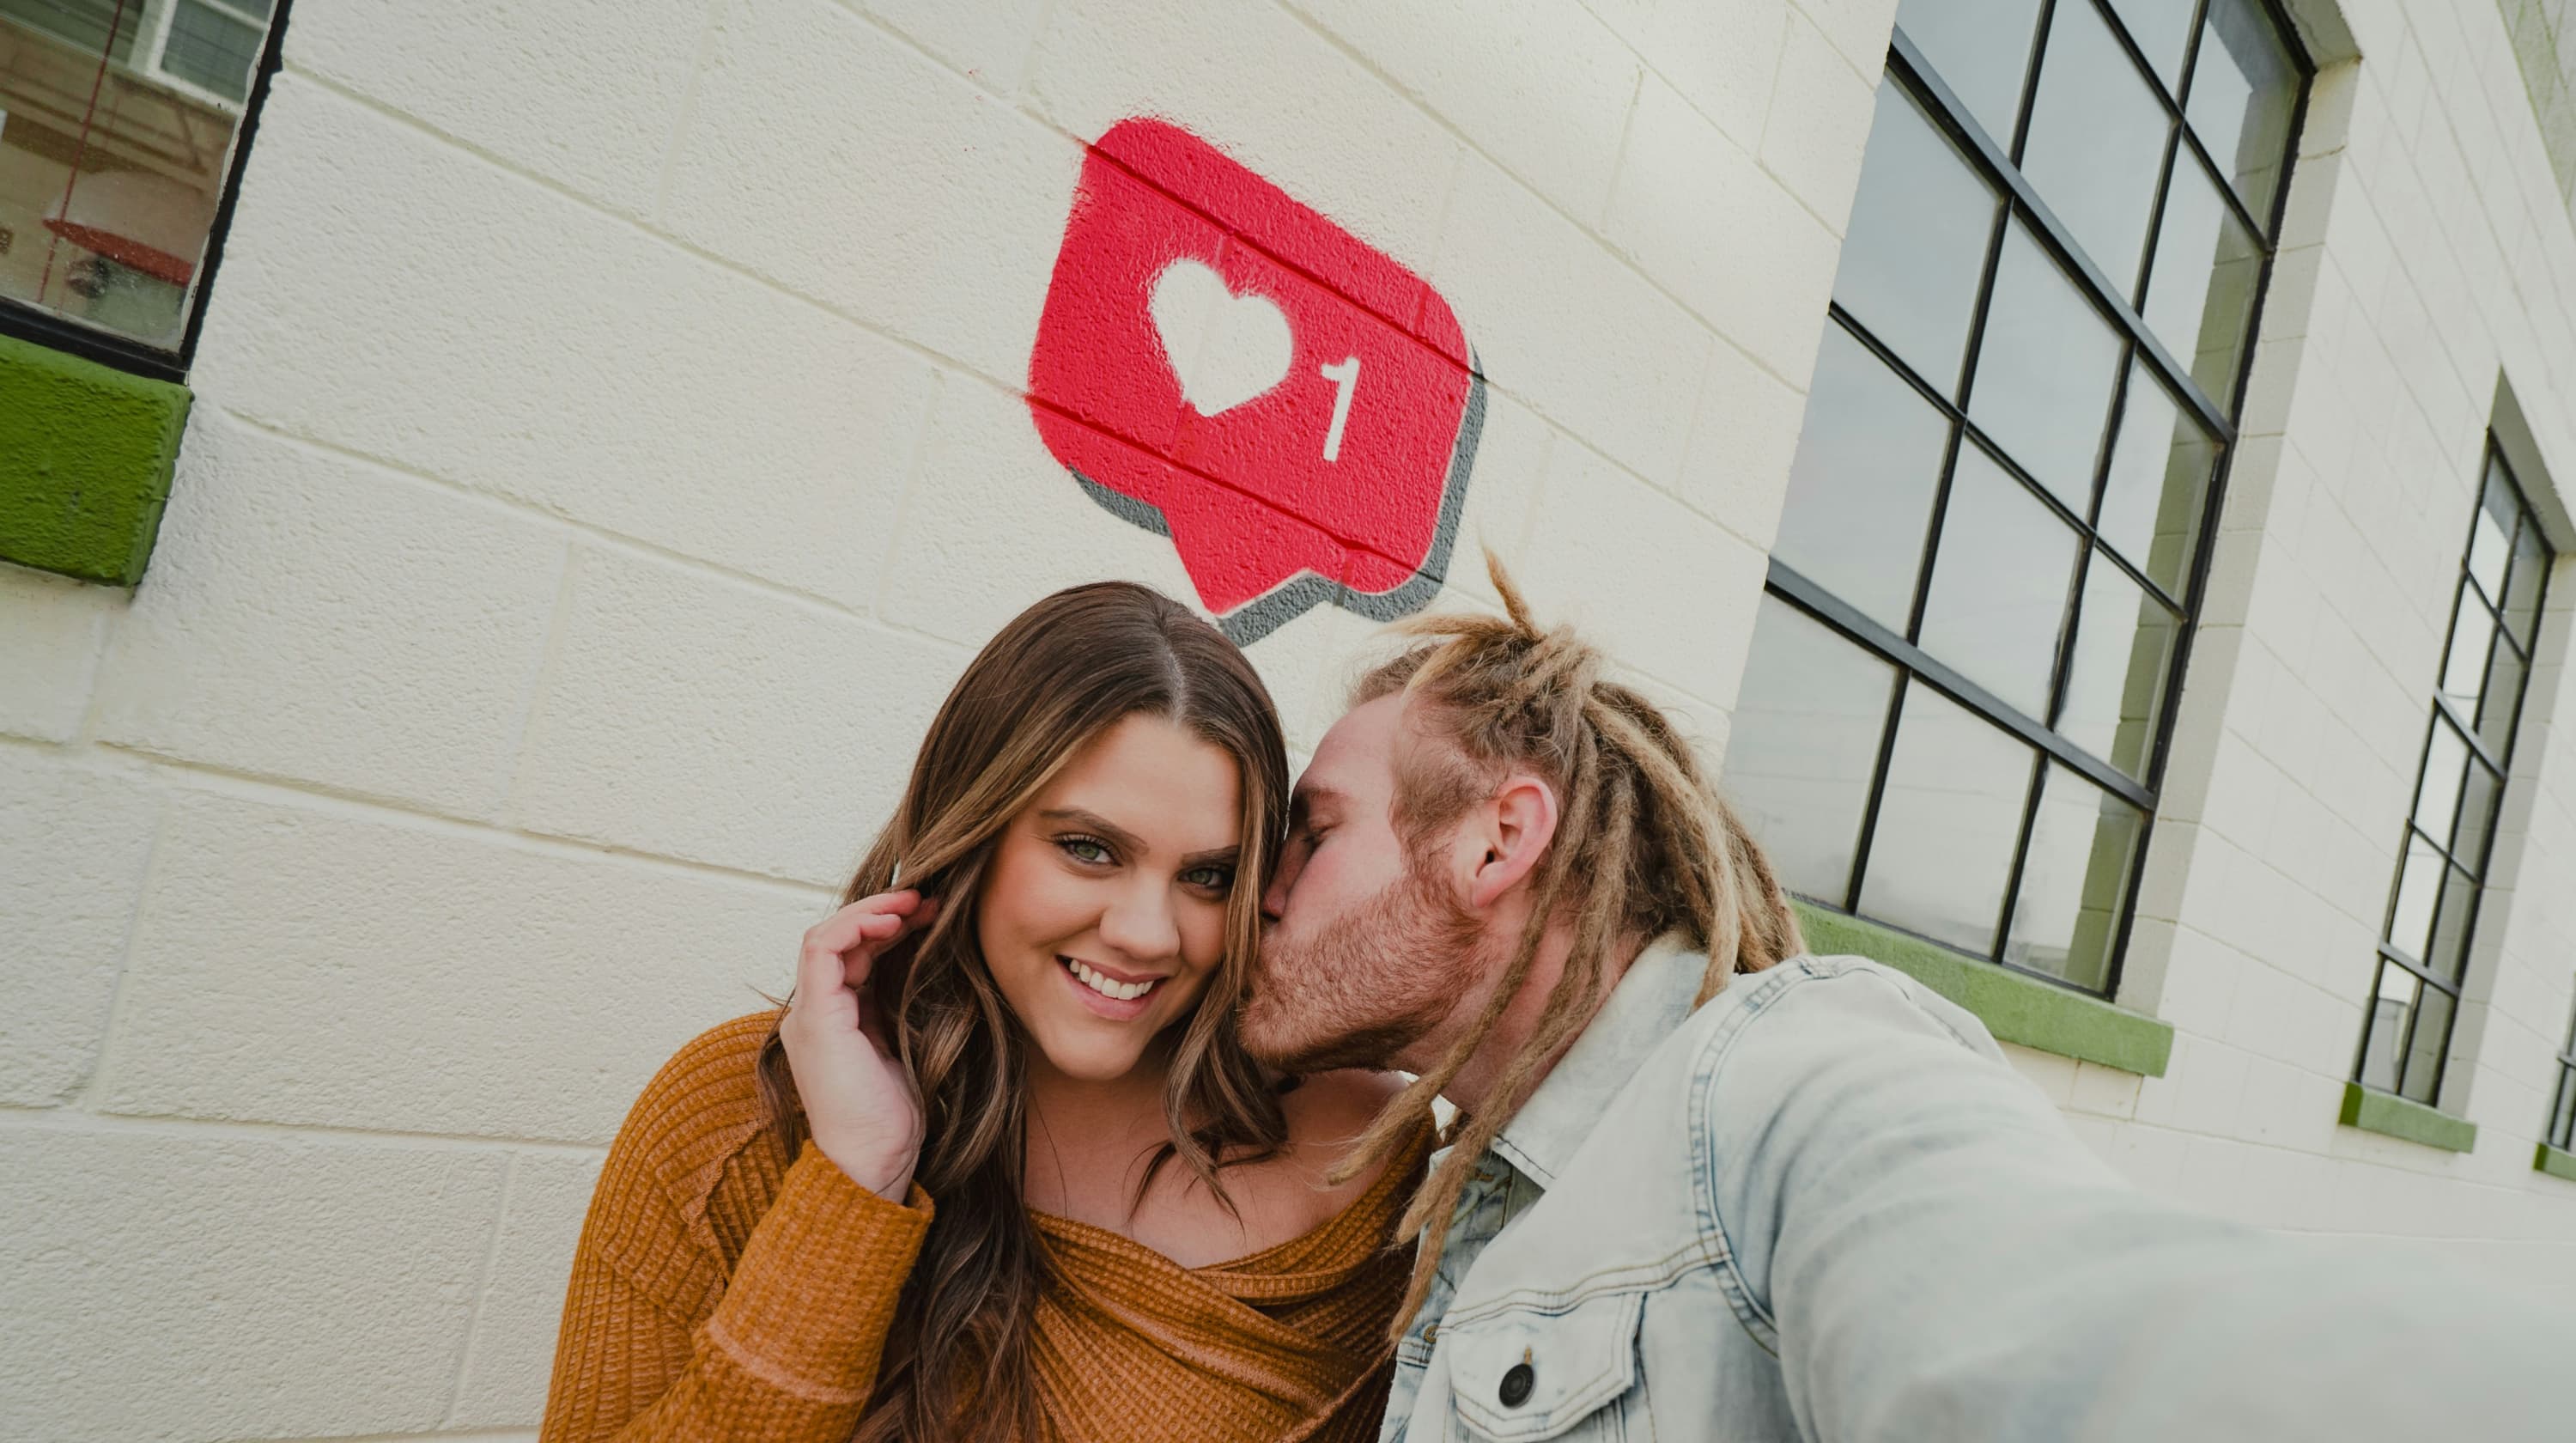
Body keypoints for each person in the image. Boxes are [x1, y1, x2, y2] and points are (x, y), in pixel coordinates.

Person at [1241, 557, 2576, 1443]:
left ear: (1495, 842)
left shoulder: (1780, 1091)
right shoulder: (1491, 1184)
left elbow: (2110, 1349)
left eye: (1318, 829)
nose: (1267, 889)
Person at [539, 581, 1430, 1443]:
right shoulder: (736, 1112)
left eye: (1208, 876)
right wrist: (854, 1185)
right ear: (974, 834)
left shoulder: (1351, 1150)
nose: (1148, 934)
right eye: (1088, 850)